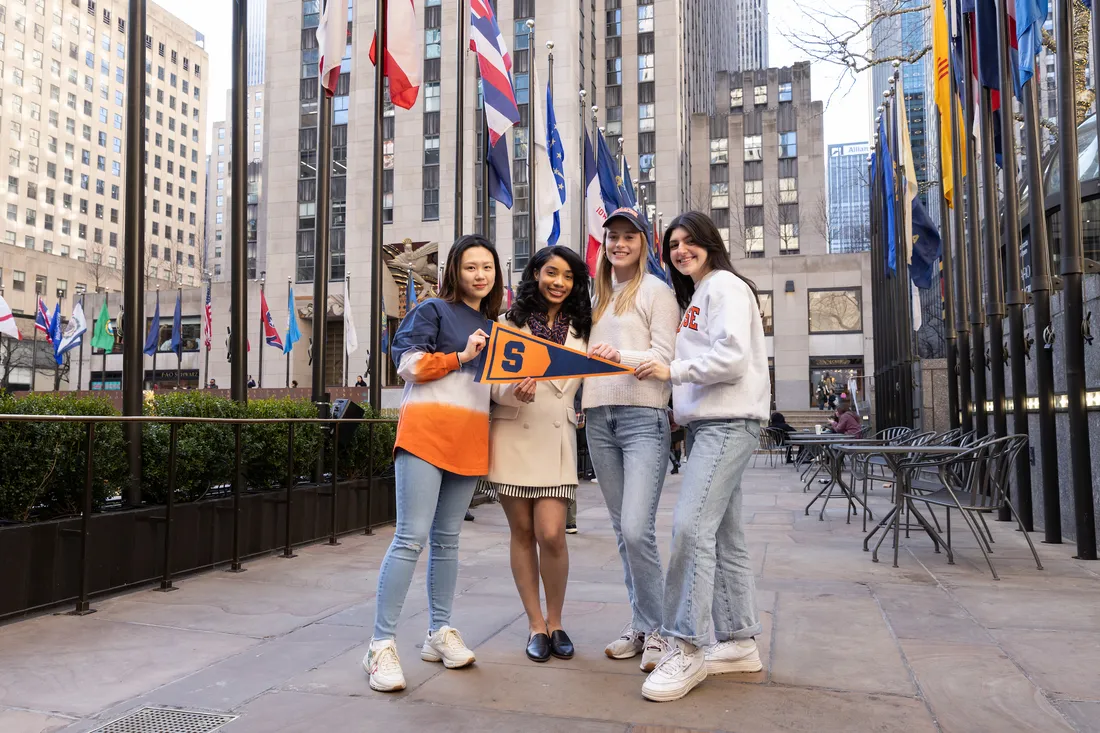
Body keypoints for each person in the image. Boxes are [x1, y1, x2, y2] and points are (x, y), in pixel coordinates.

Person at [635, 211, 768, 702]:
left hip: (727, 423)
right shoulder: (704, 292)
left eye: (690, 241)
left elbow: (730, 359)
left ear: (711, 243)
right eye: (673, 244)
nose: (680, 250)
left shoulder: (724, 287)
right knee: (724, 535)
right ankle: (737, 642)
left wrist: (673, 372)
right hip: (712, 423)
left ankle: (685, 645)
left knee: (690, 528)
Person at [362, 234, 502, 693]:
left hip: (469, 440)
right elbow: (408, 365)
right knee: (410, 538)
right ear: (454, 272)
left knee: (447, 541)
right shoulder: (432, 310)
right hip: (425, 435)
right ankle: (380, 645)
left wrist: (516, 388)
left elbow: (491, 391)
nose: (479, 275)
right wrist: (460, 355)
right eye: (470, 267)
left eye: (487, 268)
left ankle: (438, 632)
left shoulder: (494, 325)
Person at [583, 207, 680, 672]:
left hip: (643, 417)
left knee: (639, 528)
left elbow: (665, 357)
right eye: (613, 237)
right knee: (624, 532)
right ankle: (642, 624)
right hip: (599, 418)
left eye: (629, 237)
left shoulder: (657, 292)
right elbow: (576, 359)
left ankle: (662, 630)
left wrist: (616, 354)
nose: (620, 244)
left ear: (644, 244)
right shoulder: (595, 296)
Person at [484, 245, 592, 663]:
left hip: (557, 437)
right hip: (514, 432)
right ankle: (535, 625)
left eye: (567, 276)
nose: (559, 283)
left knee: (552, 534)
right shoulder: (506, 324)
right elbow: (492, 386)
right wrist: (513, 390)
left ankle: (557, 620)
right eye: (551, 273)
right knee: (523, 533)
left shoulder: (585, 327)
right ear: (535, 273)